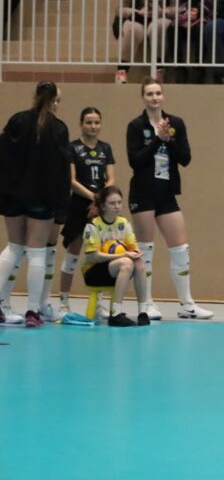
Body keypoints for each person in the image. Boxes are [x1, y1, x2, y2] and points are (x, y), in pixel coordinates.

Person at [127, 78, 213, 320]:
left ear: (162, 96)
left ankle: (187, 304)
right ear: (143, 98)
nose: (154, 98)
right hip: (143, 193)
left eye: (158, 93)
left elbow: (185, 158)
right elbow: (135, 161)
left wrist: (168, 139)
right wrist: (157, 139)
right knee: (145, 250)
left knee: (180, 249)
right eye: (149, 94)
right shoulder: (136, 126)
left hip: (166, 193)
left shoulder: (176, 123)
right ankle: (147, 303)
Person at [0, 82, 70, 328]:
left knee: (14, 247)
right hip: (42, 198)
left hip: (13, 196)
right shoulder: (58, 128)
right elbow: (62, 171)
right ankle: (33, 311)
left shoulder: (17, 121)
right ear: (54, 101)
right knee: (37, 252)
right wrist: (61, 205)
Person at [57, 107, 116, 319]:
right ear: (81, 124)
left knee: (100, 256)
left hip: (100, 208)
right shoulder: (72, 147)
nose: (93, 126)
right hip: (79, 205)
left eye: (97, 122)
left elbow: (111, 179)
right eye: (89, 122)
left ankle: (99, 303)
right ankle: (63, 302)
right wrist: (93, 198)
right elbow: (71, 181)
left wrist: (100, 201)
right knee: (72, 255)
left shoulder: (105, 148)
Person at [80, 186, 147, 327]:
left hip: (116, 269)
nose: (117, 206)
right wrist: (123, 254)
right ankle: (116, 314)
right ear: (103, 206)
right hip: (93, 272)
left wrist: (136, 253)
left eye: (119, 202)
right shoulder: (93, 225)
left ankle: (143, 312)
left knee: (139, 263)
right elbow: (93, 257)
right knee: (126, 263)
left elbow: (133, 247)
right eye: (112, 203)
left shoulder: (123, 223)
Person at [113, 0, 175, 84]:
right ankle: (122, 71)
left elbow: (176, 8)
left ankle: (159, 70)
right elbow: (120, 9)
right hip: (138, 17)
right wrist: (137, 12)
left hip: (161, 17)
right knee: (132, 29)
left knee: (158, 26)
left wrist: (162, 11)